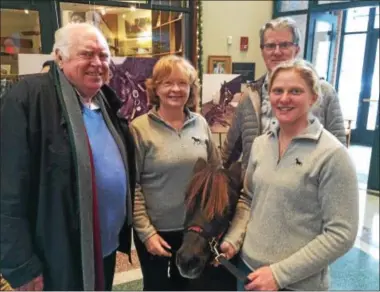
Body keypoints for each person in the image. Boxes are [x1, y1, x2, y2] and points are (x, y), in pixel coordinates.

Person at [0, 23, 136, 291]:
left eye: (104, 55)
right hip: (55, 256)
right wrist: (21, 265)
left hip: (103, 249)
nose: (98, 63)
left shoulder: (105, 102)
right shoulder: (27, 99)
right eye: (87, 54)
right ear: (59, 57)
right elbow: (7, 190)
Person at [220, 59, 359, 291]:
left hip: (296, 283)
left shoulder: (332, 155)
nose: (284, 99)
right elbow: (248, 199)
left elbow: (341, 234)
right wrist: (233, 240)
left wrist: (279, 274)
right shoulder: (260, 144)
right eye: (278, 91)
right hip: (247, 270)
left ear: (313, 97)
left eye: (295, 91)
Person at [130, 55, 220, 291]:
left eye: (183, 83)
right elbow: (132, 186)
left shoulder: (200, 124)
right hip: (157, 231)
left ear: (191, 89)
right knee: (157, 287)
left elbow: (215, 175)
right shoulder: (139, 128)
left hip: (195, 232)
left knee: (193, 287)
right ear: (155, 88)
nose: (176, 89)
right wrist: (147, 233)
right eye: (167, 83)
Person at [221, 17, 346, 172]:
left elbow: (339, 150)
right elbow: (231, 149)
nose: (277, 52)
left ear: (297, 49)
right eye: (270, 46)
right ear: (262, 51)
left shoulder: (324, 92)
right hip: (255, 189)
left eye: (285, 45)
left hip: (305, 189)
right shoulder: (250, 95)